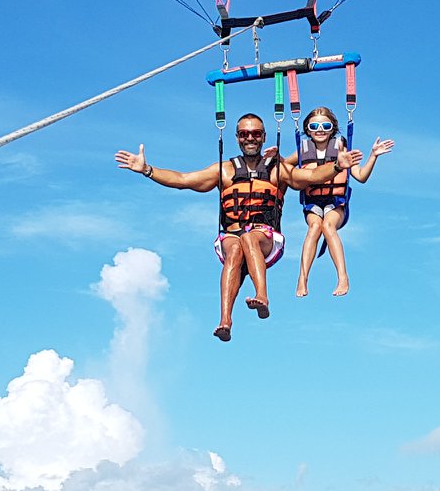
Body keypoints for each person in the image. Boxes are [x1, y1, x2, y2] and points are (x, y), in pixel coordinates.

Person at [114, 115, 357, 341]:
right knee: (235, 248)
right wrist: (147, 170)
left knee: (249, 238)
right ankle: (225, 321)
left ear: (263, 137)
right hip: (230, 235)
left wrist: (337, 166)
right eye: (244, 134)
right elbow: (183, 180)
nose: (250, 138)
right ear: (237, 138)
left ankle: (262, 295)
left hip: (267, 239)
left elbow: (309, 178)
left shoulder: (277, 169)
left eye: (255, 134)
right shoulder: (225, 170)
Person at [284, 107, 392, 297]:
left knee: (328, 225)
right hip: (312, 202)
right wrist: (275, 157)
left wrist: (373, 156)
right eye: (314, 125)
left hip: (336, 202)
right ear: (307, 129)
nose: (320, 129)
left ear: (332, 128)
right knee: (315, 227)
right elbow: (284, 168)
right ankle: (302, 278)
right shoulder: (303, 150)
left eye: (325, 125)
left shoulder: (341, 147)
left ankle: (343, 277)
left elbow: (361, 176)